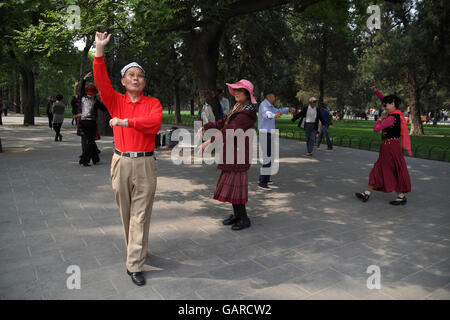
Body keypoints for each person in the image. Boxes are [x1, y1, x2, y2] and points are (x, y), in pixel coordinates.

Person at [93, 31, 162, 286]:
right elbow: (101, 81)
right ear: (123, 81)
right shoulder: (115, 100)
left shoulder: (153, 103)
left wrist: (126, 121)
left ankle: (134, 264)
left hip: (145, 164)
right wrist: (99, 50)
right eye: (131, 75)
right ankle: (137, 248)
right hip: (121, 162)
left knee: (140, 216)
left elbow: (153, 124)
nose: (136, 78)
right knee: (127, 214)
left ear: (144, 81)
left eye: (140, 75)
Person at [198, 79, 257, 231]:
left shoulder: (247, 113)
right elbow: (224, 122)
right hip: (232, 152)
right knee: (232, 188)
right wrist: (207, 126)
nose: (236, 93)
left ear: (247, 94)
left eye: (240, 90)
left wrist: (208, 142)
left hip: (238, 154)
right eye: (235, 90)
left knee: (236, 187)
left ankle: (244, 218)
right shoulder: (238, 107)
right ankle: (237, 215)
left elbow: (229, 130)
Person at [356, 88, 412, 205]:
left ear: (393, 104)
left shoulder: (391, 118)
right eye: (385, 104)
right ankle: (400, 196)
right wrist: (376, 91)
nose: (385, 105)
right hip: (391, 147)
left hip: (389, 148)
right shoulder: (397, 114)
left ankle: (367, 194)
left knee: (379, 169)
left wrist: (380, 119)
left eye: (387, 104)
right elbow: (384, 99)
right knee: (390, 171)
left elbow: (376, 129)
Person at [257, 87, 295, 189]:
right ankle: (262, 182)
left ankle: (266, 178)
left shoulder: (270, 106)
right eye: (274, 96)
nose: (276, 98)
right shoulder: (264, 105)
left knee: (271, 157)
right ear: (268, 96)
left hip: (269, 134)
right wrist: (274, 115)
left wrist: (287, 109)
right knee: (268, 158)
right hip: (265, 135)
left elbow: (278, 110)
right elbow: (266, 114)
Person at [73, 71, 106, 166]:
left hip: (83, 122)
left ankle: (95, 158)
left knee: (89, 141)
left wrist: (84, 79)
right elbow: (104, 109)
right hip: (91, 123)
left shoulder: (83, 98)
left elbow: (82, 89)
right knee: (91, 142)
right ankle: (84, 160)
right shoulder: (96, 101)